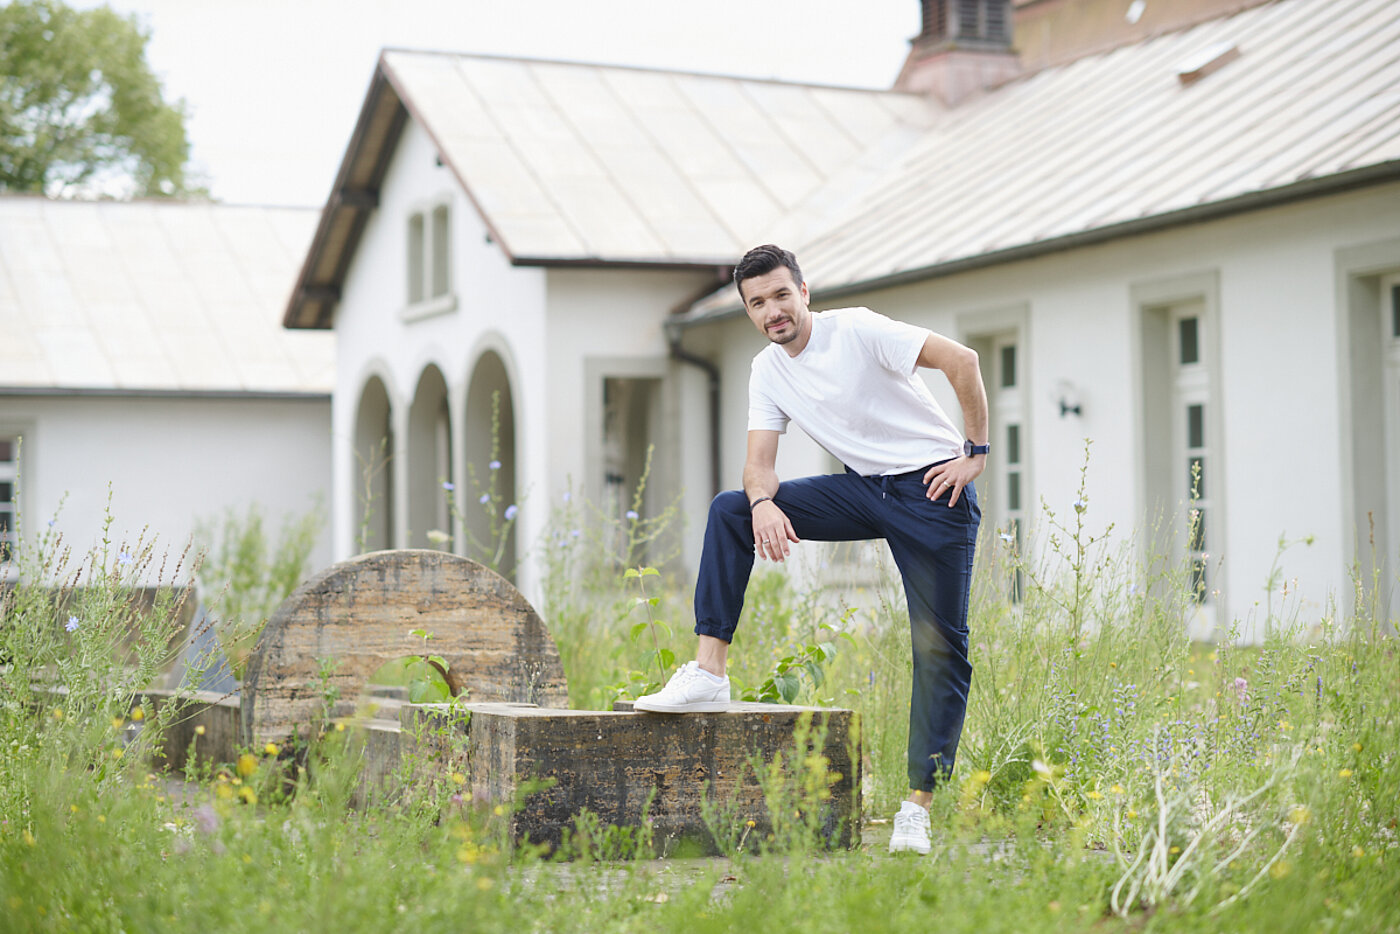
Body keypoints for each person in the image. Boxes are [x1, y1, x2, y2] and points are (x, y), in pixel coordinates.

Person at [635, 244, 988, 855]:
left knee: (940, 649)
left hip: (932, 490)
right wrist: (764, 503)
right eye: (757, 303)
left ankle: (916, 807)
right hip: (863, 490)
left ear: (804, 292)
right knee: (731, 509)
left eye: (780, 295)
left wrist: (975, 452)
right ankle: (709, 672)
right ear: (748, 311)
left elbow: (963, 359)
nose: (773, 311)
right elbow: (758, 467)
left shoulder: (858, 329)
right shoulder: (767, 370)